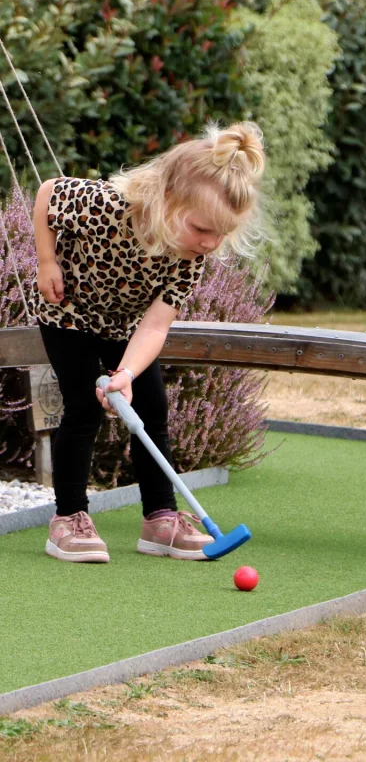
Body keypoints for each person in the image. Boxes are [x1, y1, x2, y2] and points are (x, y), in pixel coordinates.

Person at [29, 120, 266, 563]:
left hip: (126, 325)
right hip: (68, 311)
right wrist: (46, 261)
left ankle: (160, 519)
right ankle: (68, 520)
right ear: (168, 199)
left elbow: (155, 326)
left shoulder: (190, 258)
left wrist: (127, 373)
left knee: (151, 408)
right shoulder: (106, 204)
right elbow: (47, 193)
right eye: (201, 229)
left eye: (220, 235)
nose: (211, 244)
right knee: (83, 406)